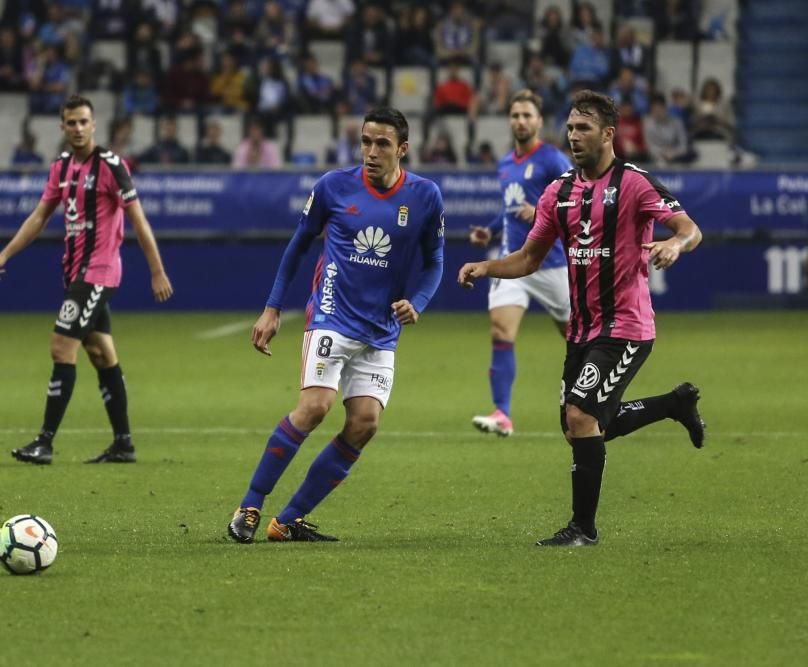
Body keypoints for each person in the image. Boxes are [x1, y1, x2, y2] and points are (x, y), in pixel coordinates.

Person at [458, 90, 706, 547]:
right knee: (580, 428)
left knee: (580, 414)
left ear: (608, 134)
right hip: (582, 327)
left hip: (626, 326)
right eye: (570, 128)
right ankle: (674, 404)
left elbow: (690, 229)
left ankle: (583, 530)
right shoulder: (560, 192)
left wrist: (674, 244)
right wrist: (486, 266)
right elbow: (531, 257)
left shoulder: (635, 183)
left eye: (583, 128)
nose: (573, 136)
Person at [227, 107, 445, 543]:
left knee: (365, 423)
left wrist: (417, 301)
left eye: (382, 143)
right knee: (315, 407)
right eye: (365, 141)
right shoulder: (333, 186)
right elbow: (297, 247)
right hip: (331, 315)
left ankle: (287, 521)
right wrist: (272, 308)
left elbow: (435, 261)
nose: (371, 151)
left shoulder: (425, 196)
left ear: (403, 149)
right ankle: (249, 506)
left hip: (381, 330)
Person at [0, 94, 174, 465]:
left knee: (61, 346)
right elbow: (39, 217)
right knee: (101, 353)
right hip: (75, 271)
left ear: (93, 124)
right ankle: (124, 444)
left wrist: (157, 270)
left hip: (98, 274)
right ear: (62, 126)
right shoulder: (60, 168)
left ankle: (44, 442)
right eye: (70, 122)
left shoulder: (111, 166)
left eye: (83, 121)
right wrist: (5, 254)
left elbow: (138, 219)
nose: (77, 128)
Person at [467, 90, 572, 437]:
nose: (521, 121)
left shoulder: (554, 160)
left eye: (527, 115)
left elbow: (578, 203)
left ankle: (590, 394)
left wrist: (542, 211)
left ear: (539, 121)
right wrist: (490, 230)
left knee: (577, 337)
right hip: (513, 259)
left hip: (551, 262)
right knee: (501, 330)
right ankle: (503, 414)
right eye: (515, 116)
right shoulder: (505, 164)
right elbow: (509, 208)